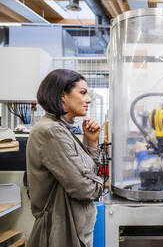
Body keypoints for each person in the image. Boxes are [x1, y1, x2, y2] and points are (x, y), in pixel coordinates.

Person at [26, 69, 103, 247]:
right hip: (60, 234)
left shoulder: (62, 130)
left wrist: (92, 143)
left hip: (73, 230)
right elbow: (83, 189)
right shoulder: (51, 131)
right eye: (82, 93)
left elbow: (88, 173)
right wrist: (99, 185)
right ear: (63, 96)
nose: (88, 99)